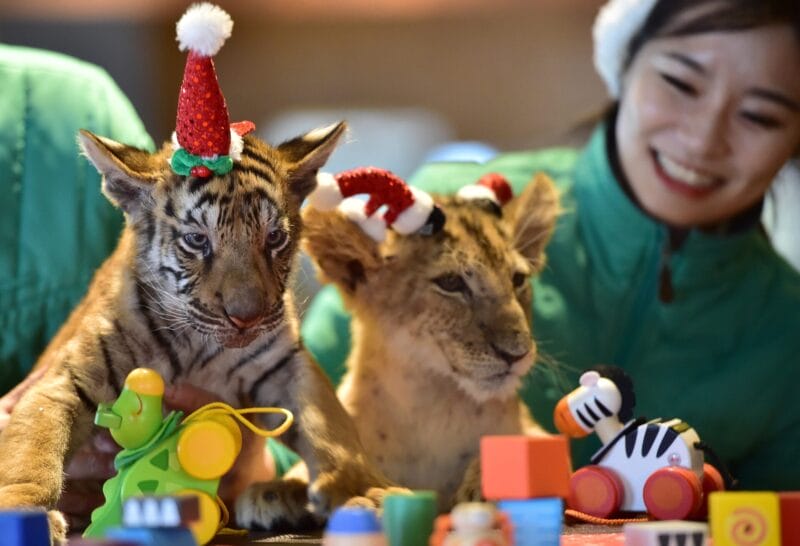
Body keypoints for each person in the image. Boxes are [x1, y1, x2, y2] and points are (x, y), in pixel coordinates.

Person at [301, 0, 800, 490]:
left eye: (759, 115)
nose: (703, 140)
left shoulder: (787, 331)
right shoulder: (442, 218)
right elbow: (289, 421)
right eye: (680, 83)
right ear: (624, 63)